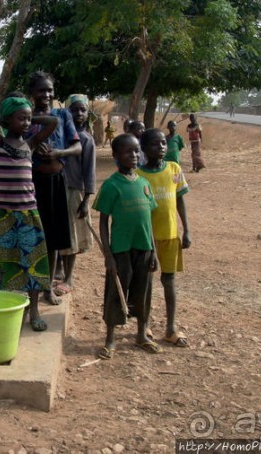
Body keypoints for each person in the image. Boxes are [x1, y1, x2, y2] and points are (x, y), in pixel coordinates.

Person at [0, 93, 58, 331]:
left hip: (28, 213)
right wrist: (0, 117)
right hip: (4, 215)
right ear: (8, 121)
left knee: (33, 261)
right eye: (21, 118)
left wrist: (28, 111)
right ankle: (11, 308)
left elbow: (53, 122)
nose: (26, 123)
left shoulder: (31, 143)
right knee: (8, 263)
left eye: (28, 119)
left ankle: (34, 310)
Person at [93, 133, 159, 360]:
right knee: (115, 292)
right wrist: (108, 254)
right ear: (115, 156)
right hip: (120, 249)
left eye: (136, 151)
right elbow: (103, 221)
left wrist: (154, 251)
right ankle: (110, 339)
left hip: (144, 248)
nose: (134, 155)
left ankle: (141, 334)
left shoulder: (144, 183)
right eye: (128, 151)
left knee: (143, 292)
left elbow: (148, 220)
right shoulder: (111, 185)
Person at [26, 71, 81, 305]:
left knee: (54, 239)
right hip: (32, 183)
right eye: (41, 90)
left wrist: (59, 152)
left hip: (56, 182)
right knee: (34, 237)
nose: (46, 94)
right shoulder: (25, 117)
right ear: (32, 93)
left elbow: (77, 147)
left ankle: (47, 287)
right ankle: (32, 290)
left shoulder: (62, 114)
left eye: (49, 90)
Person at [136, 128, 191, 348]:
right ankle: (145, 325)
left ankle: (170, 328)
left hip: (170, 234)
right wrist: (147, 243)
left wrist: (186, 229)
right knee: (147, 282)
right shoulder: (139, 175)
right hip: (147, 238)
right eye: (154, 144)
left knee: (169, 281)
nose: (160, 148)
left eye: (162, 144)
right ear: (144, 148)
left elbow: (180, 201)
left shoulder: (174, 169)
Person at [54, 94, 96, 296]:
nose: (79, 114)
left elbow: (90, 171)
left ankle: (69, 277)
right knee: (60, 233)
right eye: (74, 110)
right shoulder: (60, 136)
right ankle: (59, 269)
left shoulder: (86, 140)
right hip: (57, 189)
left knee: (73, 237)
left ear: (87, 114)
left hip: (74, 192)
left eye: (82, 110)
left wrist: (87, 198)